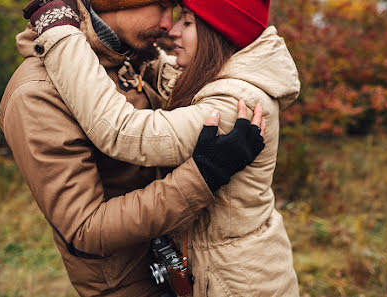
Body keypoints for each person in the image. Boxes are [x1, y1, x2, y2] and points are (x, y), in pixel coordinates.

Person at [28, 0, 302, 296]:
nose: (172, 30)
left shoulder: (234, 104)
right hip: (229, 272)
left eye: (186, 21)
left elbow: (124, 132)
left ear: (218, 33)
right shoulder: (221, 78)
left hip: (242, 285)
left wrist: (60, 35)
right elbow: (161, 72)